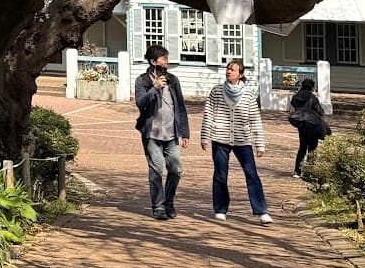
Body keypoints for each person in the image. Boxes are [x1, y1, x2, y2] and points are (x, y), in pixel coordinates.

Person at [201, 59, 271, 223]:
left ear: (240, 74)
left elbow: (255, 119)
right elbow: (209, 114)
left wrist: (259, 144)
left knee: (251, 174)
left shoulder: (248, 94)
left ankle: (261, 211)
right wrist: (205, 136)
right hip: (220, 138)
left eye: (232, 69)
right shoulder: (217, 91)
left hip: (243, 140)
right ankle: (220, 209)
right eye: (227, 69)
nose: (228, 71)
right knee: (220, 174)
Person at [134, 42, 190, 220]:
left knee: (176, 169)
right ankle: (158, 206)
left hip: (172, 134)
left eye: (167, 58)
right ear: (153, 61)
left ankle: (169, 202)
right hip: (152, 133)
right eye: (163, 58)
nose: (166, 62)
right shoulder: (142, 81)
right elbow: (141, 103)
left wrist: (185, 132)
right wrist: (154, 88)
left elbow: (180, 107)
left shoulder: (173, 80)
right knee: (156, 169)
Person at [287, 77, 331, 177]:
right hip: (312, 124)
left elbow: (293, 106)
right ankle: (309, 171)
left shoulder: (296, 97)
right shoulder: (312, 98)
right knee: (312, 148)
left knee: (302, 147)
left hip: (301, 124)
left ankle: (297, 171)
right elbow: (320, 111)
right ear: (312, 87)